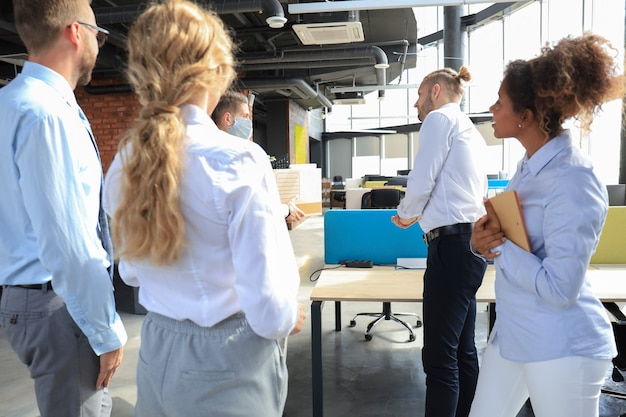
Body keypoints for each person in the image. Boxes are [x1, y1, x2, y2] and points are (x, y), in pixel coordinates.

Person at [102, 1, 305, 416]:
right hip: (226, 360)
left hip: (157, 349)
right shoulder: (237, 160)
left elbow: (132, 271)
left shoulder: (126, 162)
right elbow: (269, 310)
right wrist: (287, 317)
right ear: (216, 69)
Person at [468, 33, 624, 417]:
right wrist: (481, 242)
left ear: (526, 116)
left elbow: (560, 289)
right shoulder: (527, 167)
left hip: (562, 346)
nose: (491, 108)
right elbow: (513, 242)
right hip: (515, 332)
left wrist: (501, 245)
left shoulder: (573, 178)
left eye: (500, 102)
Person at [0, 0, 127, 416]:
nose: (99, 44)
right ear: (75, 32)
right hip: (58, 307)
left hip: (27, 298)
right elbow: (70, 243)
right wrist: (106, 331)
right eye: (98, 34)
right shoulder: (47, 114)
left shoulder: (11, 103)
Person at [391, 65, 488, 417]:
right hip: (469, 247)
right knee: (462, 351)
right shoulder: (470, 130)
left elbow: (422, 177)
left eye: (418, 95)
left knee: (439, 356)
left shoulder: (439, 120)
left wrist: (406, 214)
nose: (416, 105)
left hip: (450, 246)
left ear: (434, 91)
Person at [212, 89, 306, 223]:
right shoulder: (245, 156)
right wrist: (286, 210)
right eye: (245, 116)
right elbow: (253, 207)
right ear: (228, 118)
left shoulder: (201, 154)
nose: (249, 121)